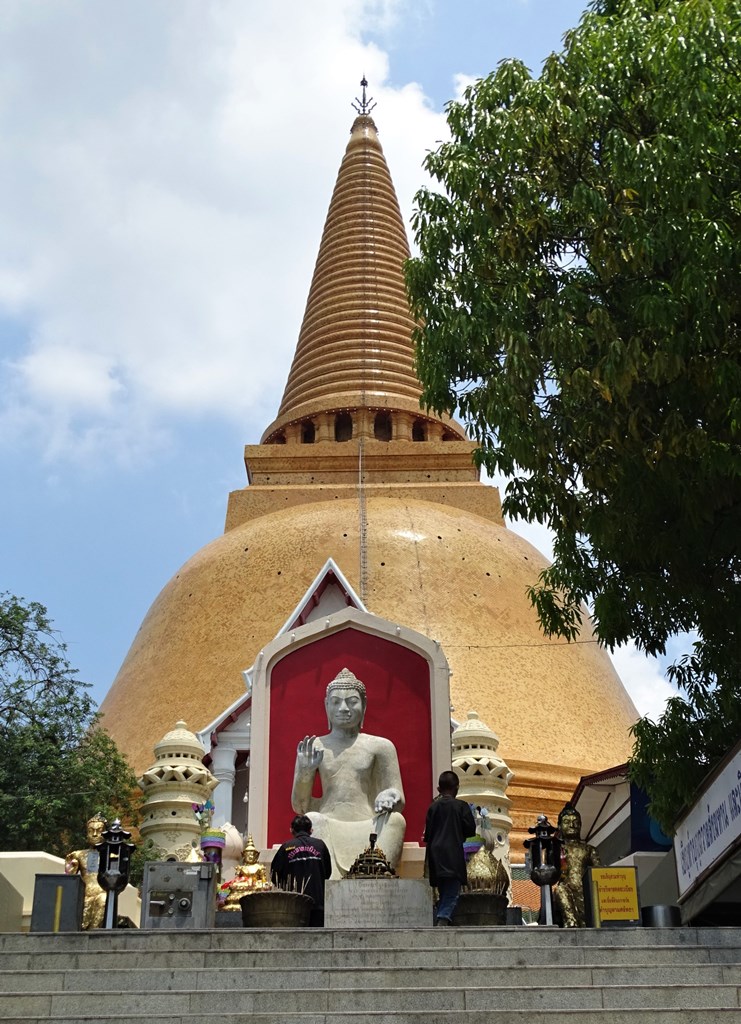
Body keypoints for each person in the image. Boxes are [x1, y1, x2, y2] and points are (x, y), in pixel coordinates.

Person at [292, 667, 406, 876]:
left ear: (364, 705)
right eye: (336, 702)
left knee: (396, 820)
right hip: (328, 824)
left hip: (370, 824)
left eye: (352, 701)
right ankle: (332, 882)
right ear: (326, 706)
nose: (343, 708)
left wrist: (390, 795)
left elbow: (398, 799)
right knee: (312, 819)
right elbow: (300, 807)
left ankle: (376, 877)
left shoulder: (381, 746)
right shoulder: (314, 747)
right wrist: (305, 774)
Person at [424, 770, 476, 926]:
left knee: (444, 889)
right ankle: (443, 918)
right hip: (452, 851)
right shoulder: (461, 806)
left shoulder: (433, 807)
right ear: (457, 788)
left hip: (435, 852)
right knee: (452, 890)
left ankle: (442, 917)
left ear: (439, 789)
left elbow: (428, 834)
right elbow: (470, 830)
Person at [270, 814, 332, 926]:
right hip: (318, 904)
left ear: (291, 830)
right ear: (311, 830)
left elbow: (275, 875)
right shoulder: (320, 845)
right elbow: (327, 872)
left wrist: (287, 886)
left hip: (294, 905)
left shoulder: (286, 847)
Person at [554, 803, 600, 927]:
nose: (572, 825)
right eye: (566, 821)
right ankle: (570, 922)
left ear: (580, 825)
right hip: (567, 892)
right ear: (559, 826)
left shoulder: (589, 850)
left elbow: (599, 874)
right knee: (560, 890)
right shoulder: (557, 848)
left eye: (575, 821)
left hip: (586, 893)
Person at [64, 813, 107, 930]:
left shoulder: (111, 855)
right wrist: (71, 867)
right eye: (91, 831)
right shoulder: (78, 855)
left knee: (103, 900)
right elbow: (68, 878)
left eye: (99, 831)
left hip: (102, 893)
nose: (94, 834)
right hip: (85, 894)